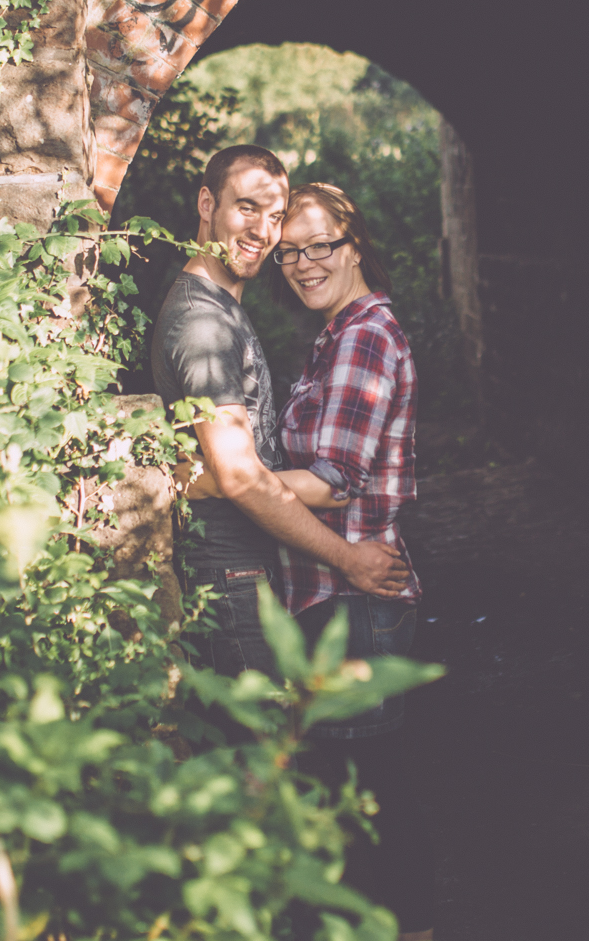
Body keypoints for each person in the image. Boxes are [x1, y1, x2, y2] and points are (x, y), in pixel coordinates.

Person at [149, 145, 412, 692]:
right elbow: (239, 474)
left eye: (275, 218)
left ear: (354, 248)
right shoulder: (205, 324)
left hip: (293, 580)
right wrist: (218, 477)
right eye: (247, 208)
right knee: (265, 756)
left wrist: (199, 479)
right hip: (235, 574)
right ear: (206, 203)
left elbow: (266, 476)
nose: (264, 234)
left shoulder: (338, 331)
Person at [266, 182, 440, 941]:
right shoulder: (335, 336)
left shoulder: (365, 336)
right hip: (334, 595)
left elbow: (333, 481)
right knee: (353, 792)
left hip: (359, 605)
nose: (303, 264)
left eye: (319, 246)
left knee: (378, 798)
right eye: (289, 251)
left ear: (354, 243)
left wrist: (227, 481)